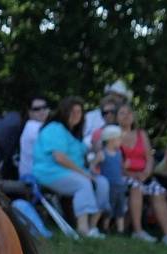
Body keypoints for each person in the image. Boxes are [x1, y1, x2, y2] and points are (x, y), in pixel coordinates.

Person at [33, 95, 110, 238]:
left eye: (79, 112)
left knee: (103, 183)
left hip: (69, 173)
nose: (76, 115)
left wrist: (97, 148)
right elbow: (59, 157)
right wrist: (84, 173)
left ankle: (93, 227)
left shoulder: (70, 134)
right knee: (83, 183)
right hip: (50, 173)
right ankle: (83, 228)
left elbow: (84, 150)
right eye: (73, 111)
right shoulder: (55, 128)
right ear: (64, 112)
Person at [117, 103, 167, 244]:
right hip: (123, 176)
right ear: (116, 117)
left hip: (143, 175)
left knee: (158, 191)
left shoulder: (141, 134)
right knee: (136, 187)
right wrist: (130, 173)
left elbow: (149, 157)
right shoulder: (113, 135)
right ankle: (138, 231)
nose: (127, 115)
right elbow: (113, 161)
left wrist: (146, 173)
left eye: (129, 112)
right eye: (122, 113)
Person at [97, 125, 126, 234]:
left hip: (119, 184)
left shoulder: (119, 153)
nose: (120, 141)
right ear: (111, 140)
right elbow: (93, 165)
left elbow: (120, 167)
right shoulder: (102, 154)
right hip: (109, 185)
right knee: (109, 208)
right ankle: (105, 227)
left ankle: (120, 230)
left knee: (120, 208)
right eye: (119, 139)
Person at [84, 79, 131, 147]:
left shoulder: (125, 120)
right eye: (113, 94)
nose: (116, 99)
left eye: (120, 96)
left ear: (123, 101)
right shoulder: (90, 116)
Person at [18, 96, 50, 178]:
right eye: (37, 109)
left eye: (44, 107)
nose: (42, 111)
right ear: (30, 112)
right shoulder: (33, 127)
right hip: (32, 177)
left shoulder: (40, 126)